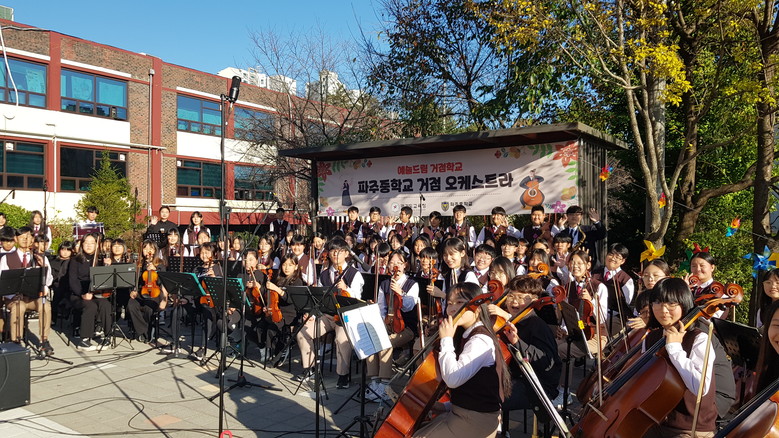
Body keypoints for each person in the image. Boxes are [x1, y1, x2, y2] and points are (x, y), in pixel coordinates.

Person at [411, 282, 512, 438]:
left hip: (477, 420)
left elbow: (453, 379)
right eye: (449, 303)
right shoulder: (466, 334)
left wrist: (446, 340)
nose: (452, 308)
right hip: (461, 413)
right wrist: (445, 406)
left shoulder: (480, 340)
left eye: (459, 302)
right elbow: (474, 389)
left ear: (478, 308)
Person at [643, 278, 717, 438]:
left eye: (671, 304)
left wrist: (675, 348)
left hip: (689, 427)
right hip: (654, 420)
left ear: (684, 304)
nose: (663, 310)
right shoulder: (651, 337)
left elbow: (700, 388)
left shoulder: (699, 339)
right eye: (657, 302)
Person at [296, 238, 364, 389]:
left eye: (339, 251)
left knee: (341, 339)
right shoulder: (325, 274)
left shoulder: (354, 274)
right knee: (303, 331)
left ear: (346, 253)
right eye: (332, 251)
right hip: (327, 315)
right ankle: (310, 369)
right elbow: (320, 298)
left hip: (346, 317)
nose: (335, 254)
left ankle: (343, 375)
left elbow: (357, 299)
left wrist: (346, 288)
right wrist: (313, 315)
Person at [491, 277, 561, 413]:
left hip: (535, 385)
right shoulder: (513, 320)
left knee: (488, 398)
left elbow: (546, 362)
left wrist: (517, 342)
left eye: (521, 298)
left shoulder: (537, 325)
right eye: (511, 296)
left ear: (534, 301)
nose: (514, 301)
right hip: (514, 376)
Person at [367, 250, 419, 402]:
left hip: (407, 327)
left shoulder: (412, 284)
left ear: (405, 265)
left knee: (385, 344)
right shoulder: (384, 284)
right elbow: (381, 308)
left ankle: (384, 386)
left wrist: (400, 293)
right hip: (388, 324)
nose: (395, 266)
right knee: (372, 341)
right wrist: (382, 324)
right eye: (392, 263)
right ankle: (374, 382)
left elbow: (409, 306)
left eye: (399, 263)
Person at [0, 226, 54, 354]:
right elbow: (2, 281)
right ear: (16, 239)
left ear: (33, 239)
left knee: (45, 305)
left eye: (29, 236)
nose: (25, 239)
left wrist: (44, 266)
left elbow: (48, 282)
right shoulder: (6, 258)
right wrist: (11, 295)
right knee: (19, 307)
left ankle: (44, 340)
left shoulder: (40, 257)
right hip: (14, 298)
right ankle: (16, 341)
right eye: (22, 237)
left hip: (33, 297)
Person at [68, 233, 111, 351]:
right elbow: (73, 281)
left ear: (97, 245)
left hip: (95, 292)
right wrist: (82, 294)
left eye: (92, 243)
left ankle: (107, 336)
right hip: (78, 294)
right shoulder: (75, 260)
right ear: (82, 244)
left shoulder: (100, 260)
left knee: (105, 304)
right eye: (86, 242)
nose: (89, 245)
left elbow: (106, 279)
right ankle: (84, 339)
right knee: (90, 306)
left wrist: (107, 266)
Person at [127, 240, 168, 343]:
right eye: (145, 248)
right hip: (141, 291)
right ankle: (144, 331)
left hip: (155, 292)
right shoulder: (138, 264)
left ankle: (147, 330)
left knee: (149, 308)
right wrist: (132, 290)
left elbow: (162, 282)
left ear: (155, 250)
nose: (148, 251)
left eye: (151, 248)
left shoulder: (160, 264)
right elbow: (132, 280)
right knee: (131, 305)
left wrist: (155, 270)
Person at [591, 243, 635, 336]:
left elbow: (626, 303)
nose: (613, 258)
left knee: (601, 331)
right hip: (595, 311)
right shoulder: (595, 273)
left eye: (617, 257)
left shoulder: (626, 280)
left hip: (615, 315)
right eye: (611, 254)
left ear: (622, 261)